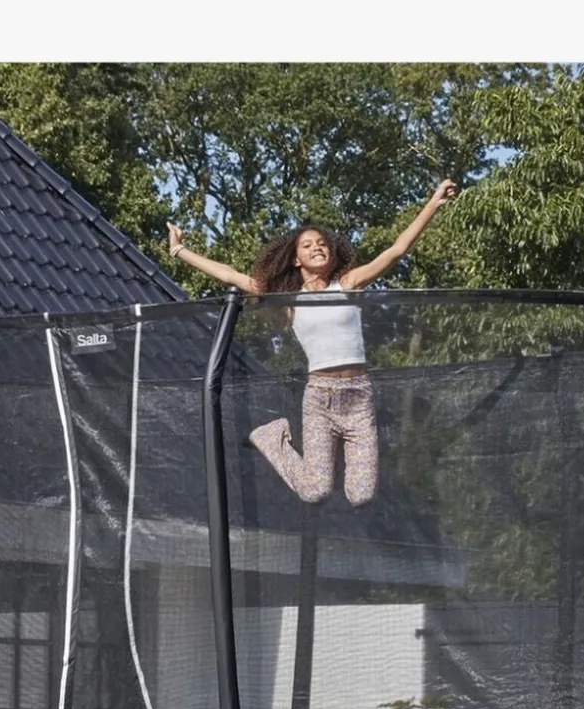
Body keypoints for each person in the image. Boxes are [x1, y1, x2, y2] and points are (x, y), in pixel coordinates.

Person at [167, 179, 456, 505]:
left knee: (361, 495)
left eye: (322, 243)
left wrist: (433, 203)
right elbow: (231, 275)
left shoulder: (348, 284)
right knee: (315, 490)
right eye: (308, 245)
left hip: (359, 397)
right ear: (295, 259)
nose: (318, 247)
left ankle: (323, 458)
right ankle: (271, 436)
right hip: (320, 398)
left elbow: (396, 250)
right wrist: (179, 250)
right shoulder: (289, 299)